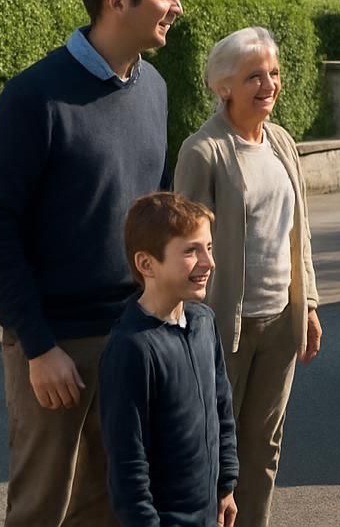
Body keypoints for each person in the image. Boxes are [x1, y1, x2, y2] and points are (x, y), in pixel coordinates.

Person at [0, 0, 180, 526]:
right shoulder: (33, 97)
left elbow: (154, 218)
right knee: (43, 508)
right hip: (54, 344)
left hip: (133, 335)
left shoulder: (156, 90)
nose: (176, 6)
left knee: (116, 504)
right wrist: (38, 348)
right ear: (117, 1)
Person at [175, 26, 320, 527]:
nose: (269, 84)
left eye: (274, 73)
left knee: (264, 448)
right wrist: (183, 327)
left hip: (281, 320)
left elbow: (297, 232)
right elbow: (185, 252)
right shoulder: (203, 152)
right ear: (223, 87)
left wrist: (311, 303)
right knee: (213, 453)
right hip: (222, 328)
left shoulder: (281, 142)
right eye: (254, 76)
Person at [99, 192, 237, 526]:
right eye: (191, 251)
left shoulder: (204, 322)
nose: (209, 262)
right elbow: (128, 464)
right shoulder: (132, 348)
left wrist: (226, 486)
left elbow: (222, 408)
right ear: (147, 264)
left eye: (209, 248)